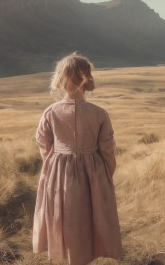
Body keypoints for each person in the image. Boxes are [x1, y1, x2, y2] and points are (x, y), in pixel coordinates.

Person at [32, 52, 122, 265]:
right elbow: (107, 151)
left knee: (64, 217)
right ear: (86, 78)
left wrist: (52, 165)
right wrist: (104, 175)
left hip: (58, 173)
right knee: (91, 218)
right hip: (93, 172)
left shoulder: (50, 112)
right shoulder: (99, 114)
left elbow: (43, 144)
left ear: (61, 79)